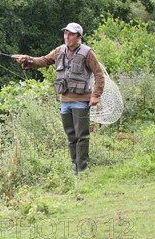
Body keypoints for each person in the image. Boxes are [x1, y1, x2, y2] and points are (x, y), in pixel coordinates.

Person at [11, 23, 104, 174]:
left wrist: (96, 96)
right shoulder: (59, 50)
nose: (67, 37)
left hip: (81, 101)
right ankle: (75, 168)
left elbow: (99, 75)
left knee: (82, 136)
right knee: (71, 136)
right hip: (65, 101)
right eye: (65, 33)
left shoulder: (88, 52)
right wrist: (27, 59)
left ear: (79, 37)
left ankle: (83, 169)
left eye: (71, 34)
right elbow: (43, 60)